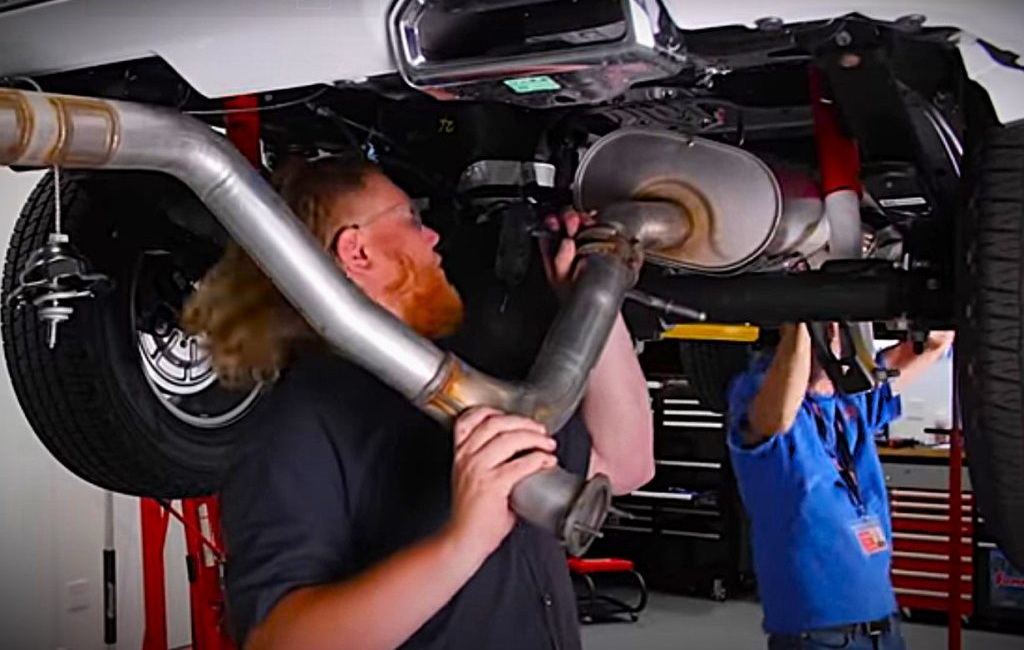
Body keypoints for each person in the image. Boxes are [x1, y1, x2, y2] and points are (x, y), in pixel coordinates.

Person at [182, 154, 655, 650]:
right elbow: (279, 642)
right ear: (357, 251)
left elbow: (625, 465)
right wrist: (463, 543)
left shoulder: (475, 381)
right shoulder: (296, 419)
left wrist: (593, 304)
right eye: (412, 219)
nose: (432, 238)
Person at [726, 323, 955, 650]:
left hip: (884, 629)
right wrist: (803, 323)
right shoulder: (761, 399)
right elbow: (776, 417)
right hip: (821, 638)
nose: (836, 331)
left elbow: (931, 347)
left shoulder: (852, 402)